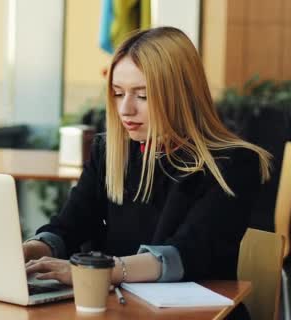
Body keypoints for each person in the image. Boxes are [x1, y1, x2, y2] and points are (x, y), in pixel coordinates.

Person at [23, 27, 271, 319]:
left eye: (142, 95)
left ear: (181, 94)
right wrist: (27, 252)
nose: (125, 109)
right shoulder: (110, 151)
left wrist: (94, 272)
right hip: (119, 310)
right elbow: (68, 226)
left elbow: (184, 254)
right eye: (117, 93)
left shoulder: (234, 163)